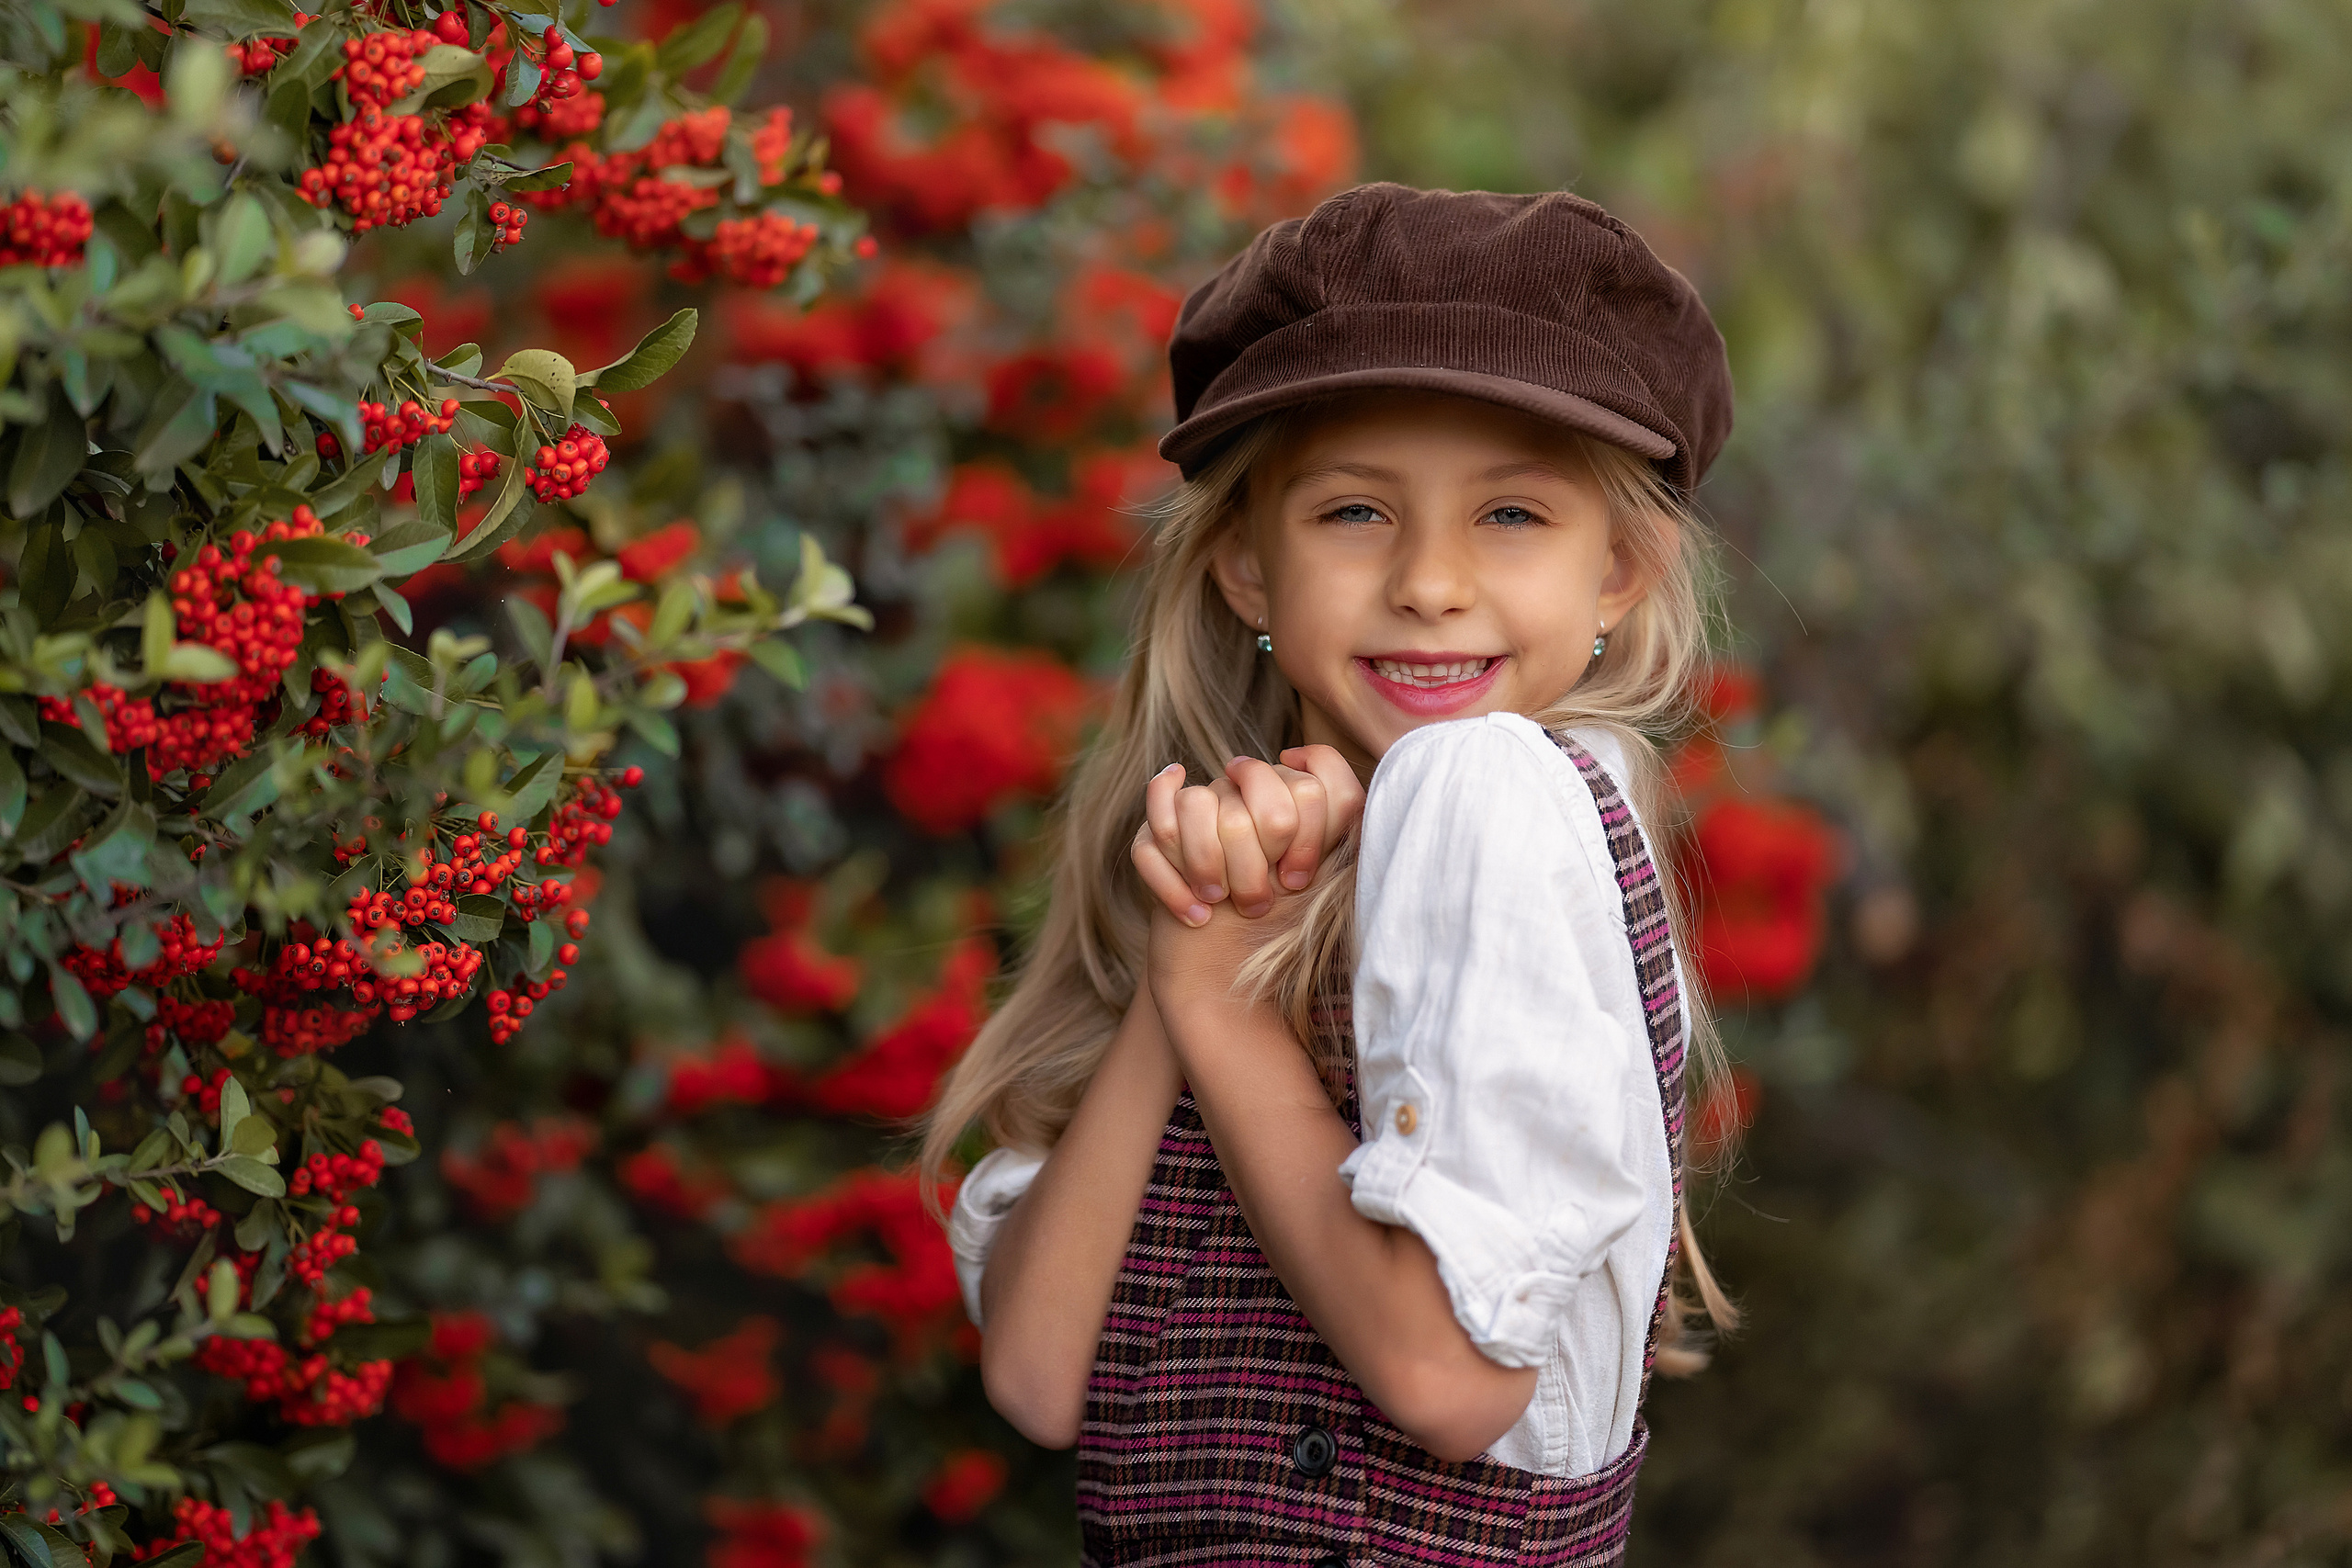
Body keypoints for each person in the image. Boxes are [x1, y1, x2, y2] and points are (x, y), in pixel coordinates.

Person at [922, 183, 1739, 1566]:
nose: (1429, 582)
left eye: (1512, 514)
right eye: (1356, 510)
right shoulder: (1230, 844)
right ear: (1248, 564)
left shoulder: (1492, 793)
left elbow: (1444, 1383)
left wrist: (1226, 1014)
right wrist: (1196, 957)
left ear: (1622, 570)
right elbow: (1039, 1376)